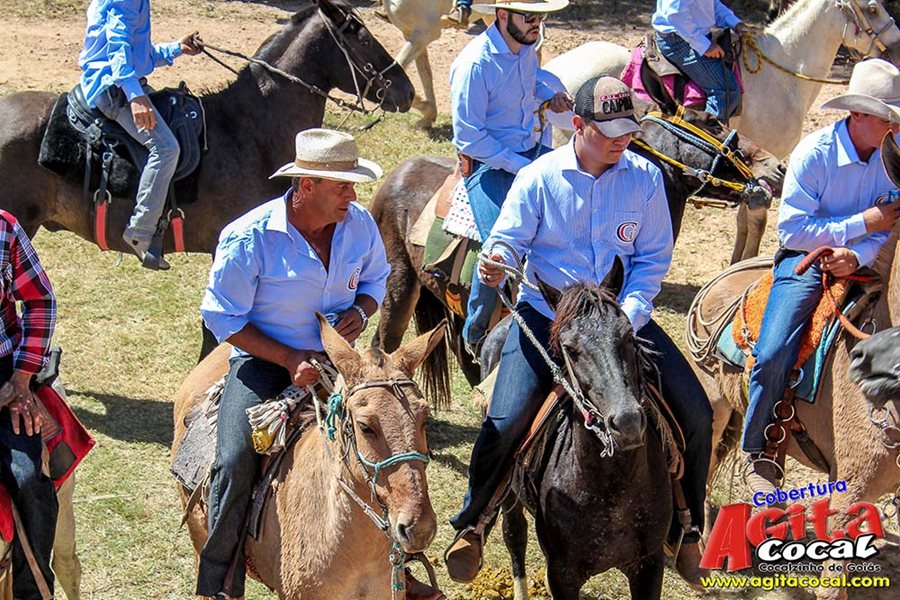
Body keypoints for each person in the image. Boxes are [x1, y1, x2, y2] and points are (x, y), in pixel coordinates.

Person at [444, 76, 713, 587]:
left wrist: (626, 317)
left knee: (696, 413)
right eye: (608, 130)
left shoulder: (645, 178)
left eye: (628, 131)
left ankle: (688, 527)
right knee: (504, 421)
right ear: (578, 124)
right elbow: (507, 238)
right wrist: (496, 259)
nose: (621, 140)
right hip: (550, 320)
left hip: (620, 319)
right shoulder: (539, 177)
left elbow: (652, 258)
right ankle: (473, 522)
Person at [744, 58, 900, 494]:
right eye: (888, 118)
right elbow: (792, 229)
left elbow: (891, 223)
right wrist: (861, 224)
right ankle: (760, 447)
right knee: (775, 349)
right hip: (804, 263)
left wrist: (856, 253)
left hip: (867, 261)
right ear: (859, 115)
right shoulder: (816, 154)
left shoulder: (892, 159)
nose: (894, 127)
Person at [451, 0, 572, 360]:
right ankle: (474, 333)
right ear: (503, 16)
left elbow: (529, 83)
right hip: (489, 164)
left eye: (541, 17)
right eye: (530, 17)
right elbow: (469, 138)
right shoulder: (475, 64)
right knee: (499, 251)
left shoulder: (525, 49)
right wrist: (521, 166)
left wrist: (550, 96)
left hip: (528, 152)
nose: (537, 24)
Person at [78, 0, 203, 270]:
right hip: (114, 89)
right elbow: (118, 47)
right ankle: (140, 232)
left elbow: (139, 55)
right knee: (167, 149)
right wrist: (135, 96)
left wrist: (176, 49)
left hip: (123, 82)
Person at [0, 210, 58, 600]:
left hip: (4, 374)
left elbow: (39, 301)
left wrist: (21, 379)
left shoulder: (3, 228)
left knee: (27, 479)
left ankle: (31, 592)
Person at [651, 0, 748, 120]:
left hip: (686, 35)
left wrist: (733, 22)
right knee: (726, 91)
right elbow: (675, 14)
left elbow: (711, 4)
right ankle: (707, 136)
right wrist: (704, 45)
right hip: (679, 40)